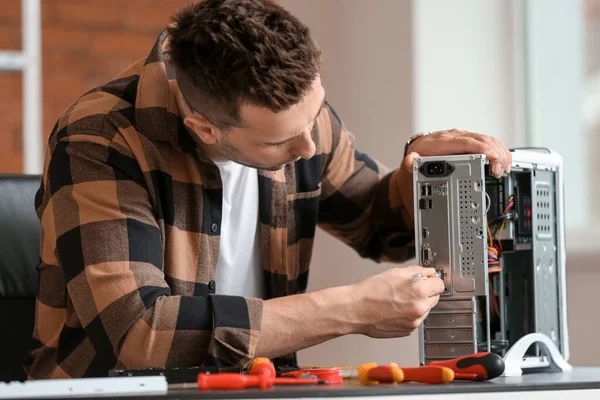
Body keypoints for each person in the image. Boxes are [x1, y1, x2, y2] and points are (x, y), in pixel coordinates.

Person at [25, 0, 512, 379]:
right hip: (121, 392)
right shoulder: (101, 138)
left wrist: (422, 168)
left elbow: (381, 227)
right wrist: (347, 311)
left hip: (261, 386)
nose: (309, 145)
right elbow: (138, 332)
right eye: (280, 140)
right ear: (206, 128)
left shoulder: (298, 117)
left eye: (315, 114)